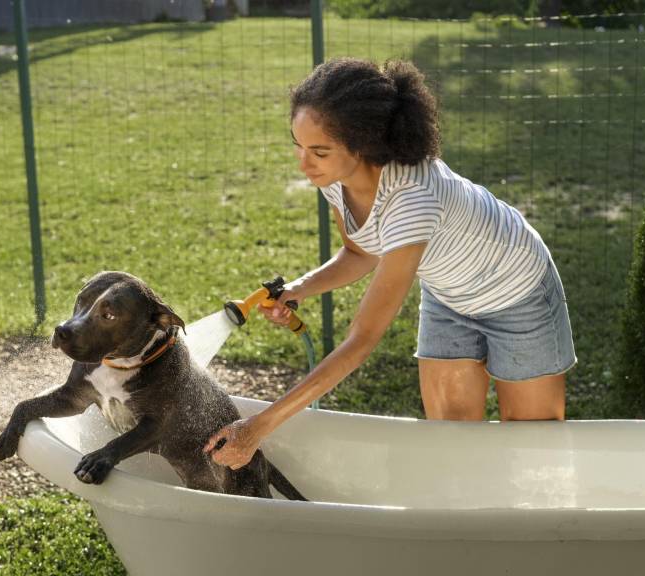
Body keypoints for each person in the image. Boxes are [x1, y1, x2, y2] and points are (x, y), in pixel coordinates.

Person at [203, 58, 576, 470]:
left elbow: (361, 340)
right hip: (449, 295)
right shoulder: (337, 181)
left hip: (518, 289)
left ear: (362, 144)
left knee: (531, 445)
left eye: (319, 151)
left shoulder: (412, 199)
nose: (303, 164)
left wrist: (257, 428)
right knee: (454, 440)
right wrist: (299, 288)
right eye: (299, 146)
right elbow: (361, 251)